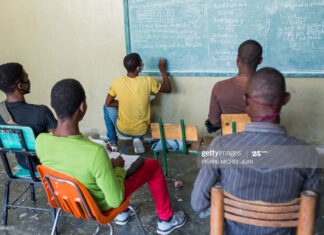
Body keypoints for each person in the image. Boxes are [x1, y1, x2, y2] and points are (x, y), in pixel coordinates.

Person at [36, 79, 186, 235]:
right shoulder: (95, 153)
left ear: (52, 105)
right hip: (100, 207)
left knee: (103, 173)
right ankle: (166, 220)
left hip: (68, 202)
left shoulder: (41, 141)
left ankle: (123, 215)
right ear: (82, 107)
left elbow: (69, 161)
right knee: (153, 166)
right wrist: (118, 169)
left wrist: (108, 166)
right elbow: (115, 200)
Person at [192, 68, 321, 234]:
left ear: (246, 101)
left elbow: (198, 203)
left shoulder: (221, 147)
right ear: (285, 99)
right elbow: (312, 213)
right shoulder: (308, 155)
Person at [104, 53, 171, 153]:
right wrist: (163, 71)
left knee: (105, 107)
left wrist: (124, 102)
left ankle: (113, 142)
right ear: (138, 68)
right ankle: (137, 138)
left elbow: (108, 103)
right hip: (142, 130)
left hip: (123, 130)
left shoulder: (117, 82)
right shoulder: (148, 81)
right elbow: (168, 89)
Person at [0, 62, 57, 171]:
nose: (28, 81)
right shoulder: (40, 111)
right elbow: (58, 142)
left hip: (24, 165)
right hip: (47, 167)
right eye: (26, 77)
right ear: (20, 86)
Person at [206, 40, 263, 133]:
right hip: (259, 142)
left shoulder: (219, 87)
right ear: (260, 61)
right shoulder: (267, 88)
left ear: (237, 59)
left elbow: (214, 121)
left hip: (229, 142)